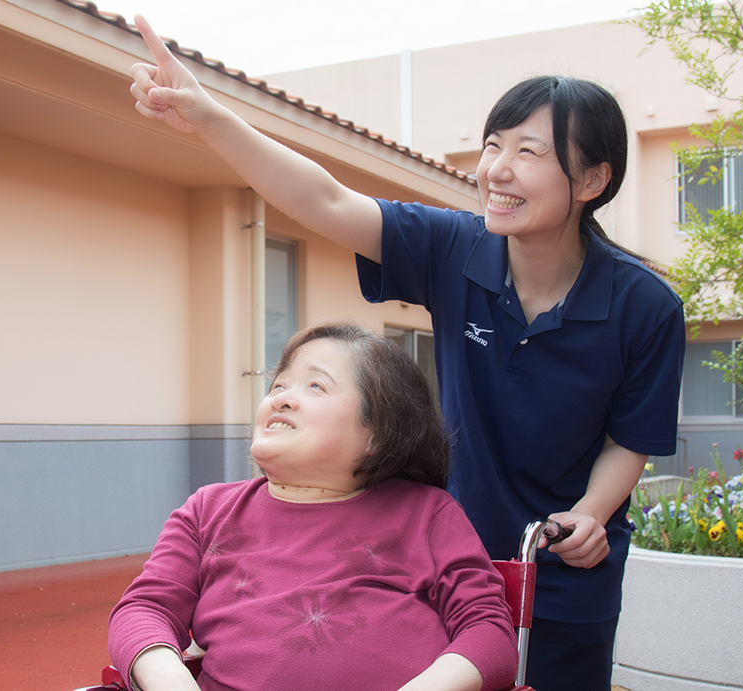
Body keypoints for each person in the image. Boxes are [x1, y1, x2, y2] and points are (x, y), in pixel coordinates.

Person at [128, 15, 685, 690]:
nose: (495, 171)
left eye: (528, 153)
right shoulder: (453, 247)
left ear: (591, 179)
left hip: (561, 569)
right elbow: (325, 198)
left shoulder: (645, 306)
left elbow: (630, 437)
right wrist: (208, 117)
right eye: (491, 145)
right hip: (434, 556)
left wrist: (591, 514)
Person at [109, 323, 519, 691]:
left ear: (377, 434)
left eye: (315, 386)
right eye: (278, 386)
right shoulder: (208, 511)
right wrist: (170, 678)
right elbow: (145, 609)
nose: (282, 399)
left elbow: (489, 633)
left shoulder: (426, 513)